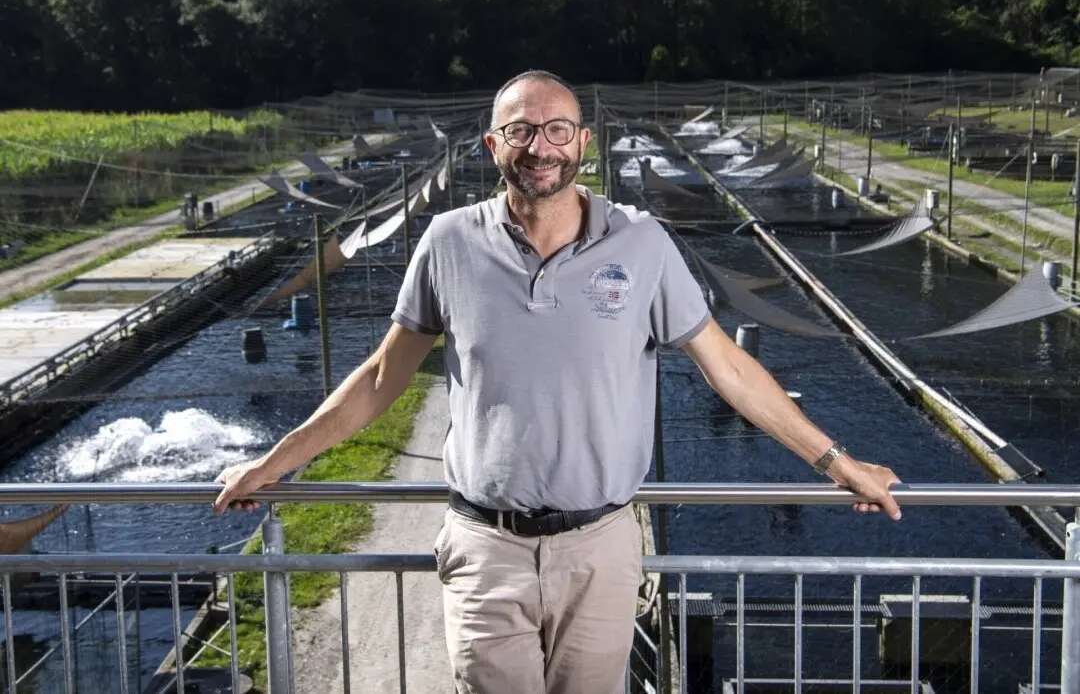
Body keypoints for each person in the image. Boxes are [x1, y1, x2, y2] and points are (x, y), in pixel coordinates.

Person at [213, 70, 903, 694]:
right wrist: (274, 465)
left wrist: (837, 462)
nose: (539, 148)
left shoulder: (642, 241)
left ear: (583, 142)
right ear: (492, 144)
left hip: (598, 550)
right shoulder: (449, 242)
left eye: (555, 130)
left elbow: (729, 369)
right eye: (520, 131)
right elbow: (378, 378)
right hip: (486, 546)